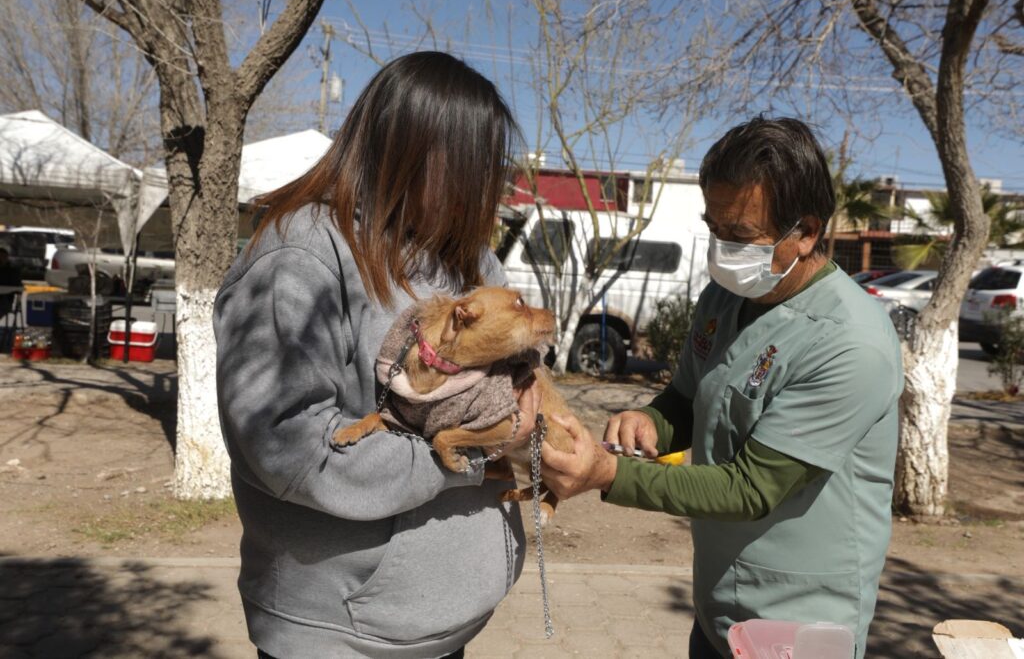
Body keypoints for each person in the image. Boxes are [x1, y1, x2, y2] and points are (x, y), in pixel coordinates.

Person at [214, 52, 539, 659]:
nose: (485, 188)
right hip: (340, 631)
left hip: (442, 620)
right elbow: (291, 449)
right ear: (409, 151)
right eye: (472, 166)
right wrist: (468, 454)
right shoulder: (300, 257)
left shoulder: (466, 259)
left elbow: (520, 387)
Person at [541, 116, 903, 659]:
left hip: (798, 621)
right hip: (720, 607)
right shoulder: (725, 298)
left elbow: (752, 488)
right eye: (714, 228)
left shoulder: (851, 344)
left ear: (805, 232)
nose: (722, 248)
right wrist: (651, 422)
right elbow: (688, 398)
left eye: (740, 235)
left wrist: (607, 474)